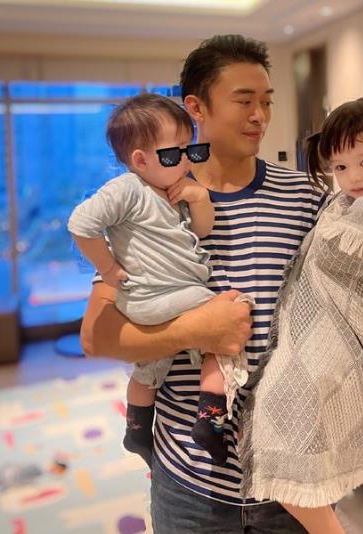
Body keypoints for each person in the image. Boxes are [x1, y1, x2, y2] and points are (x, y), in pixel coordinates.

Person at [80, 34, 327, 533]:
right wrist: (199, 331)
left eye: (266, 101)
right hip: (190, 482)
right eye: (243, 101)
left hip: (293, 474)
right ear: (196, 107)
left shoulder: (305, 196)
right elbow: (96, 336)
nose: (260, 115)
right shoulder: (146, 200)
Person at [239, 96, 363, 534]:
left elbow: (337, 269)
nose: (353, 177)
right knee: (289, 418)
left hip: (343, 334)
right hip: (321, 329)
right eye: (341, 167)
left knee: (286, 412)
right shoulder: (344, 202)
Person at [68, 93, 253, 467]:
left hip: (159, 299)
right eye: (174, 155)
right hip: (158, 295)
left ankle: (137, 429)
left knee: (150, 368)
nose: (186, 162)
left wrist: (199, 198)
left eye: (191, 150)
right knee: (228, 316)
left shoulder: (172, 188)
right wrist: (108, 268)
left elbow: (202, 230)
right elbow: (80, 223)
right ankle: (211, 419)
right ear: (140, 160)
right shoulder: (128, 189)